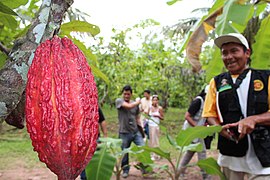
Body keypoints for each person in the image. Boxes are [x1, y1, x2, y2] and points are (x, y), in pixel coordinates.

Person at [202, 33, 270, 179]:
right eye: (224, 53)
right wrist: (220, 129)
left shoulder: (265, 78)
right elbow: (210, 114)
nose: (229, 57)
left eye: (234, 51)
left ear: (247, 53)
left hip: (263, 156)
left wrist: (254, 119)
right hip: (230, 156)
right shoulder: (217, 82)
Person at [179, 86, 210, 180]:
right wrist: (197, 128)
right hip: (192, 131)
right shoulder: (198, 101)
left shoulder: (206, 103)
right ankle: (206, 176)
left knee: (190, 152)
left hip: (197, 132)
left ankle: (179, 172)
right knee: (202, 152)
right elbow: (187, 116)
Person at [115, 85, 145, 178]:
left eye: (128, 94)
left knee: (143, 149)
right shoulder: (119, 101)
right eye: (125, 94)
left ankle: (143, 167)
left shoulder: (134, 104)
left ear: (131, 94)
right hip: (124, 132)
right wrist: (138, 102)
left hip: (135, 132)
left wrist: (141, 129)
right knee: (125, 153)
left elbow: (137, 117)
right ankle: (125, 170)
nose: (126, 96)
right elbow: (128, 106)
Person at [80, 107, 108, 180]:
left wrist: (105, 135)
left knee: (96, 161)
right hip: (81, 140)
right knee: (83, 162)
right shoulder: (76, 104)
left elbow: (102, 120)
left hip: (95, 138)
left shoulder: (95, 106)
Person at [148, 95, 164, 160]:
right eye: (153, 100)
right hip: (150, 125)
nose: (155, 101)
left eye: (156, 100)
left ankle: (156, 154)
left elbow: (163, 117)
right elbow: (147, 116)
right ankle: (152, 154)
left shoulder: (160, 108)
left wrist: (158, 116)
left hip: (156, 125)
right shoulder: (150, 107)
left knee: (156, 140)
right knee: (151, 140)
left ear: (158, 101)